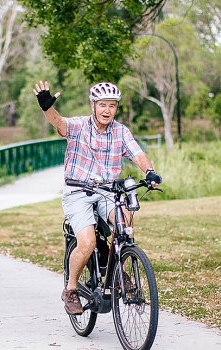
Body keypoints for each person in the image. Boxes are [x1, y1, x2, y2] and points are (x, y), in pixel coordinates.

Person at [33, 80, 163, 315]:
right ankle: (71, 289)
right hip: (78, 191)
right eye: (102, 104)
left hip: (107, 191)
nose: (107, 110)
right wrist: (46, 107)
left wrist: (149, 171)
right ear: (93, 105)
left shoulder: (120, 131)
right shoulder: (79, 126)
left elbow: (137, 153)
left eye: (112, 106)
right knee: (87, 242)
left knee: (125, 221)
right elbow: (58, 122)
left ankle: (117, 269)